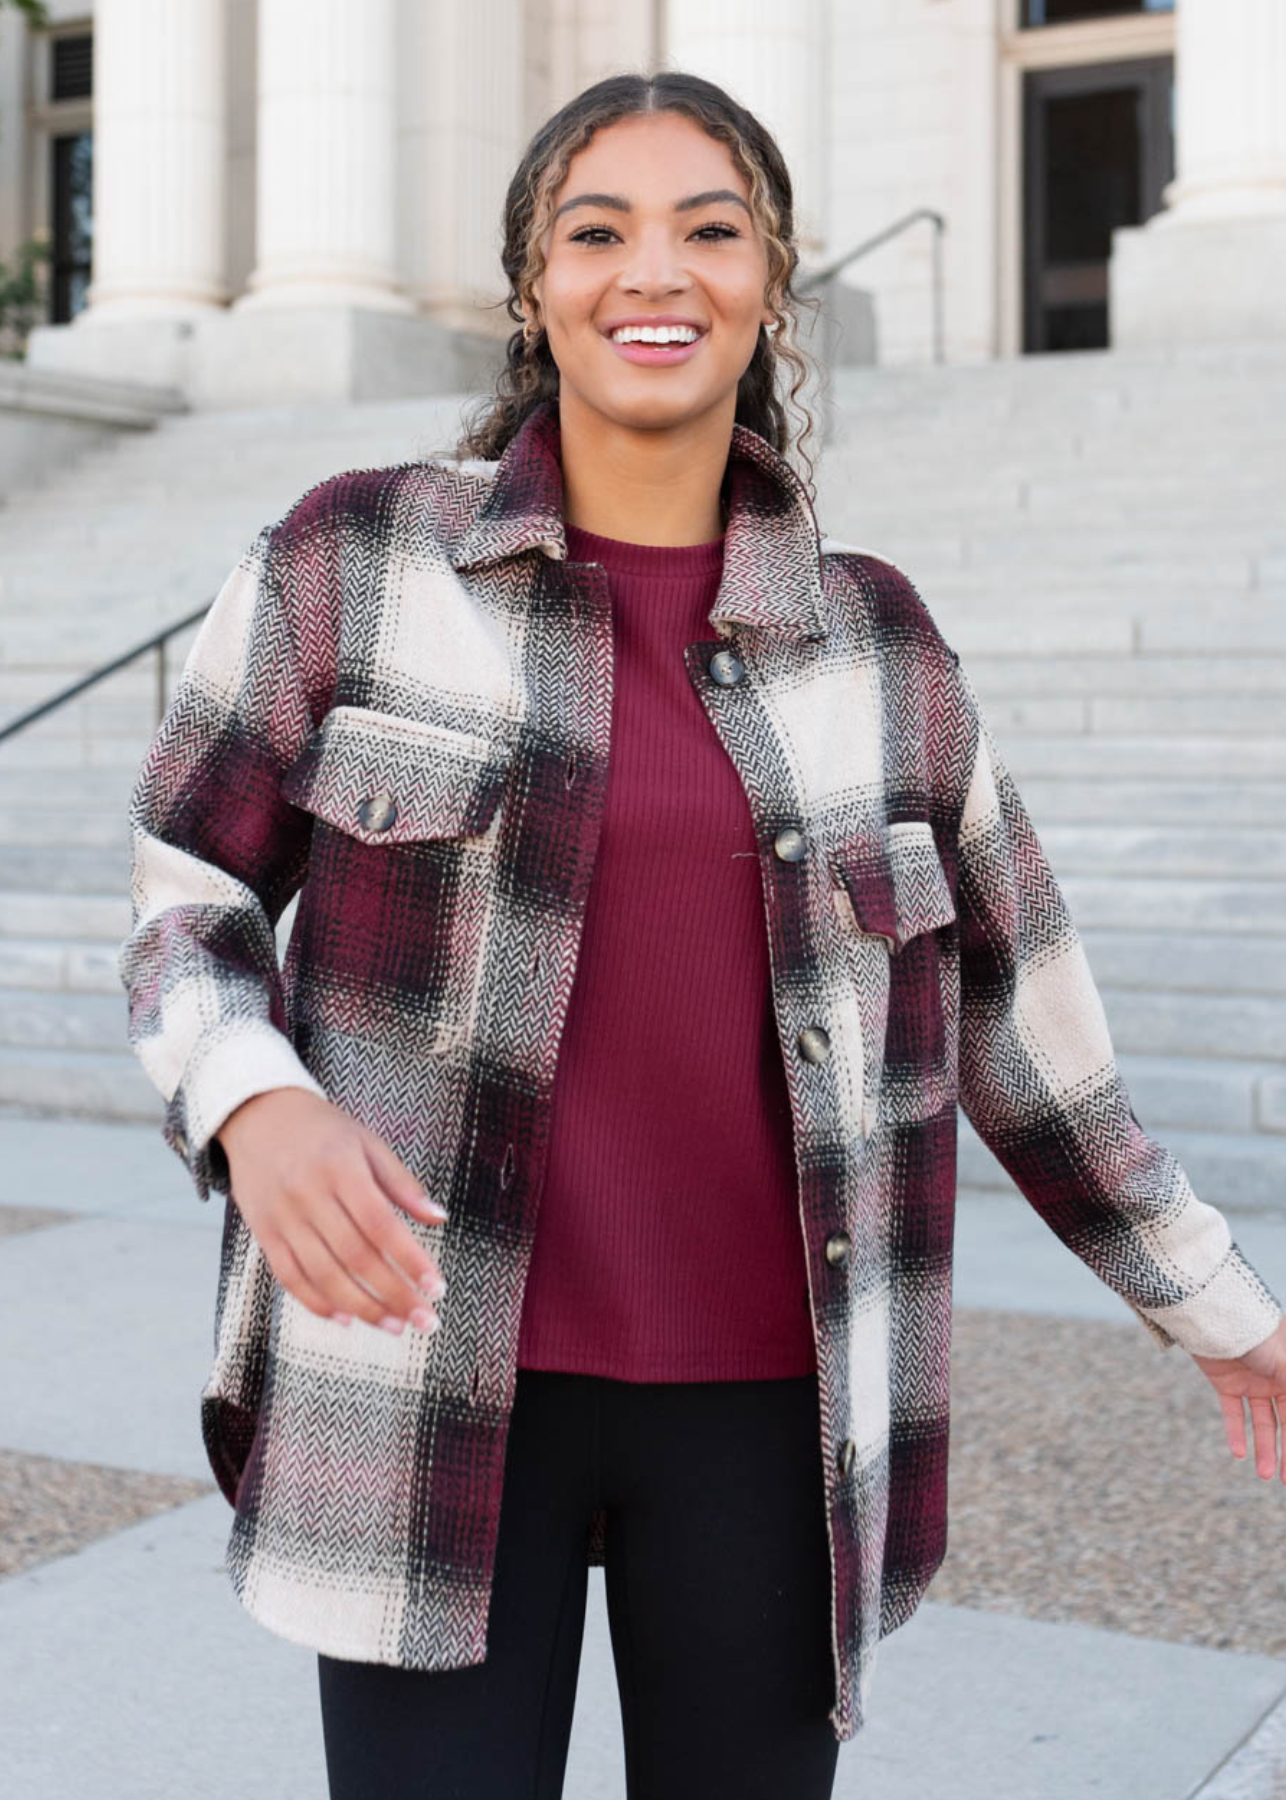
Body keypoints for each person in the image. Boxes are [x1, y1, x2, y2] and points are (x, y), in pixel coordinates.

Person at [117, 70, 1285, 1800]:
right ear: (531, 286)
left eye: (707, 230)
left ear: (770, 278)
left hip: (770, 1414)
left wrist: (1224, 1311)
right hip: (425, 1386)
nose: (651, 272)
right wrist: (251, 1098)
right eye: (597, 231)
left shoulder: (882, 650)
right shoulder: (353, 561)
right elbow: (181, 892)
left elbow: (1023, 1033)